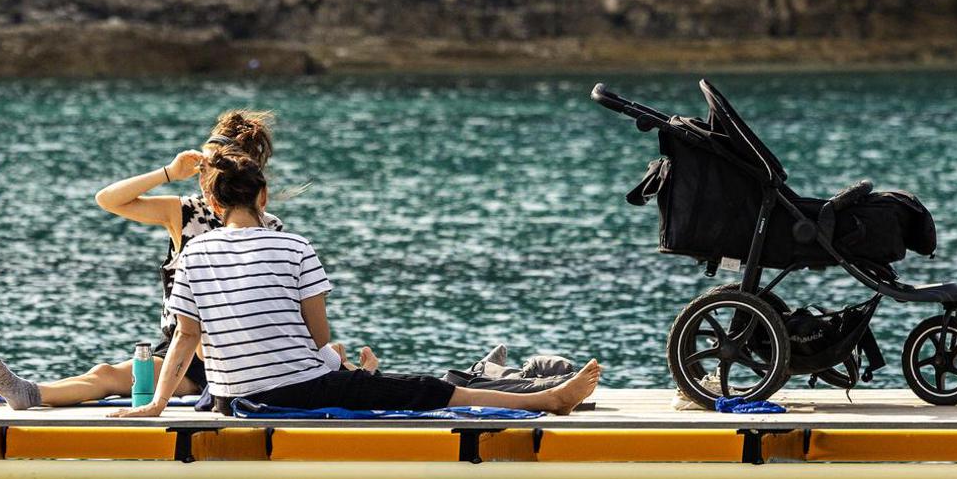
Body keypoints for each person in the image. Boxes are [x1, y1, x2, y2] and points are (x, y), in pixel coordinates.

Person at [109, 150, 600, 419]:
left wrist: (155, 405)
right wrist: (343, 367)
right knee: (422, 388)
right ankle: (544, 400)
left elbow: (186, 337)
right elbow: (318, 337)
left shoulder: (193, 251)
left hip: (228, 397)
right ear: (262, 195)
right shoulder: (294, 245)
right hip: (291, 390)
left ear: (213, 206)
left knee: (365, 378)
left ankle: (540, 396)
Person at [0, 110, 346, 410]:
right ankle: (29, 392)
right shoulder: (186, 211)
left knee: (113, 376)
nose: (203, 177)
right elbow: (108, 199)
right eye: (203, 168)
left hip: (241, 345)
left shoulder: (272, 231)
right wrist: (169, 173)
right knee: (109, 374)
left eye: (210, 169)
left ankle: (31, 392)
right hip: (183, 343)